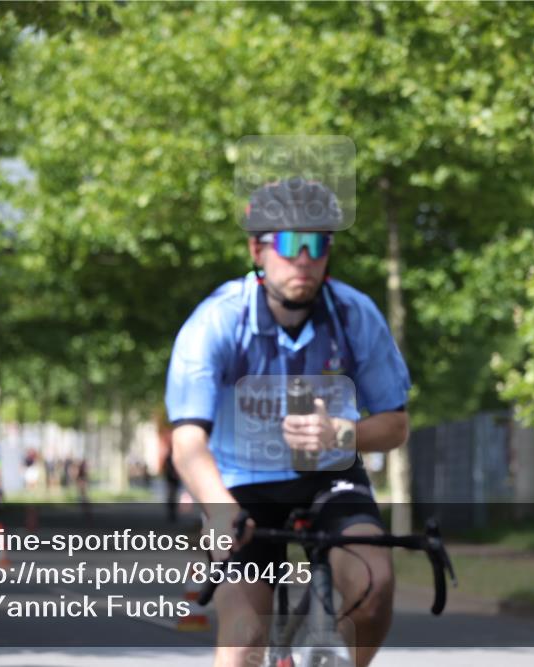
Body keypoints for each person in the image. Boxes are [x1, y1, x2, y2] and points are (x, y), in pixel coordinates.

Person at [165, 178, 411, 667]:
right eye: (291, 244)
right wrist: (217, 510)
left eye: (318, 245)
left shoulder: (354, 314)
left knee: (375, 585)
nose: (305, 258)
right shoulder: (217, 321)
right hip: (240, 485)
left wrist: (343, 434)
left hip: (329, 475)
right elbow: (188, 440)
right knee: (244, 638)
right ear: (258, 249)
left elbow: (396, 425)